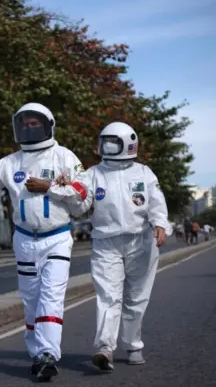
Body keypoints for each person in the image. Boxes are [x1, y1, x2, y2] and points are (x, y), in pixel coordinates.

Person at [0, 102, 87, 381]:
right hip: (24, 239)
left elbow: (83, 195)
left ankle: (48, 353)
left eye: (34, 122)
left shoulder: (64, 156)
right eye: (23, 123)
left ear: (48, 125)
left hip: (57, 237)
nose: (28, 127)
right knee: (31, 300)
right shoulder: (10, 162)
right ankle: (37, 353)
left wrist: (50, 186)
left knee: (51, 295)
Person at [55, 121, 172, 372]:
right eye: (104, 141)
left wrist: (160, 224)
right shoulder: (93, 173)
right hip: (106, 242)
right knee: (108, 295)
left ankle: (133, 345)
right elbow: (80, 197)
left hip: (141, 241)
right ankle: (105, 348)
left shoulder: (144, 173)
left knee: (136, 297)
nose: (106, 146)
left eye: (112, 142)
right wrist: (66, 186)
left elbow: (156, 203)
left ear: (129, 143)